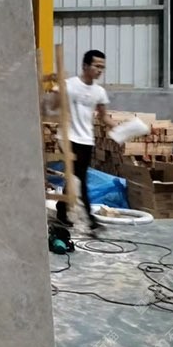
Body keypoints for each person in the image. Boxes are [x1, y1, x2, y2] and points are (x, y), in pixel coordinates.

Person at [55, 49, 115, 229]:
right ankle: (88, 217)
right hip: (67, 137)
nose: (100, 70)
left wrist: (121, 128)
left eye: (102, 67)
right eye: (97, 66)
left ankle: (61, 209)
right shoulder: (69, 85)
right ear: (85, 66)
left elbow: (103, 117)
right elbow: (52, 103)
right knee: (78, 177)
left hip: (86, 140)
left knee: (76, 176)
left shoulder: (99, 91)